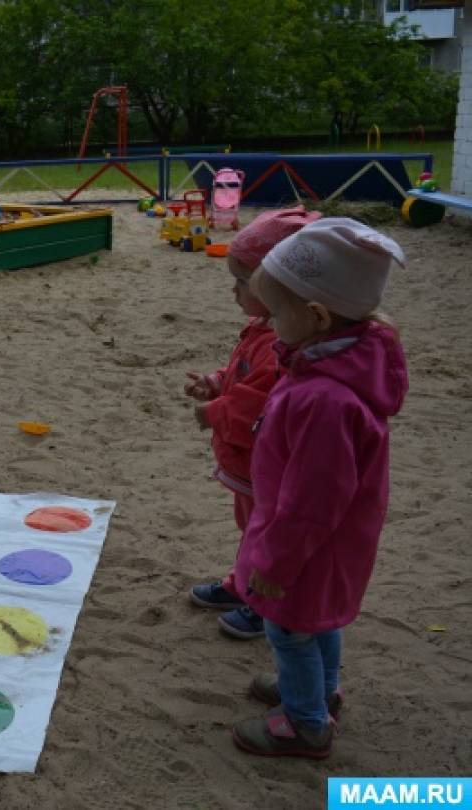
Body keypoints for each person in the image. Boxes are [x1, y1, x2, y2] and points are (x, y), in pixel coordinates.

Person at [229, 218, 408, 759]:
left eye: (277, 314)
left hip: (309, 549)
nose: (270, 325)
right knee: (317, 623)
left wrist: (275, 564)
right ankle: (320, 691)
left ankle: (307, 723)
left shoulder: (326, 399)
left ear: (317, 316)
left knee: (289, 629)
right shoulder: (329, 363)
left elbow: (312, 503)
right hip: (326, 546)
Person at [185, 208, 320, 640]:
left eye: (243, 282)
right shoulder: (261, 329)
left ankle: (266, 603)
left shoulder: (283, 345)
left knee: (267, 532)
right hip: (246, 463)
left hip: (264, 462)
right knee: (252, 529)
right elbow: (242, 377)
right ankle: (242, 584)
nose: (234, 292)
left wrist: (214, 412)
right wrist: (216, 382)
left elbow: (260, 406)